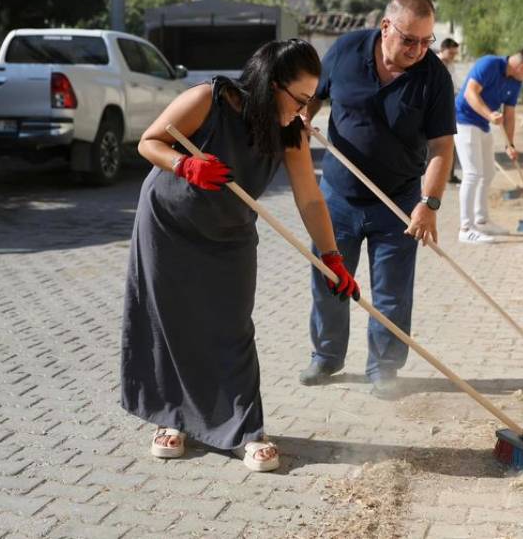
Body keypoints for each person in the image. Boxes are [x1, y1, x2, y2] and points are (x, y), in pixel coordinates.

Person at [119, 39, 362, 473]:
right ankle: (170, 420)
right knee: (172, 323)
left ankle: (246, 431)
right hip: (168, 224)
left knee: (232, 328)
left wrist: (332, 257)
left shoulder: (290, 131)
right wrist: (186, 166)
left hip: (230, 232)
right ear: (273, 84)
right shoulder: (207, 99)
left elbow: (310, 200)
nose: (305, 110)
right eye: (301, 99)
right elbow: (150, 142)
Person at [299, 0, 456, 399]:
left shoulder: (434, 76)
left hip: (399, 202)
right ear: (386, 27)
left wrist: (430, 203)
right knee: (330, 279)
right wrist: (302, 117)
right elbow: (314, 95)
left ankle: (384, 367)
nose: (419, 50)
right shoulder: (346, 50)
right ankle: (327, 356)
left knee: (391, 291)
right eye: (410, 40)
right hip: (337, 196)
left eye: (427, 41)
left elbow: (441, 148)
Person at [454, 47, 523, 244]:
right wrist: (490, 114)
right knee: (472, 173)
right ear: (522, 66)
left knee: (488, 173)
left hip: (483, 125)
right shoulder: (489, 64)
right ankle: (466, 228)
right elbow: (470, 93)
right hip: (463, 120)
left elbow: (509, 114)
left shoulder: (515, 82)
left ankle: (481, 221)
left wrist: (509, 144)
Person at [436, 37, 462, 184]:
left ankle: (449, 175)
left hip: (450, 105)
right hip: (438, 108)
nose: (453, 57)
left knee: (449, 141)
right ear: (443, 50)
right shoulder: (436, 64)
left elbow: (456, 85)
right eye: (451, 53)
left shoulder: (450, 64)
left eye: (455, 54)